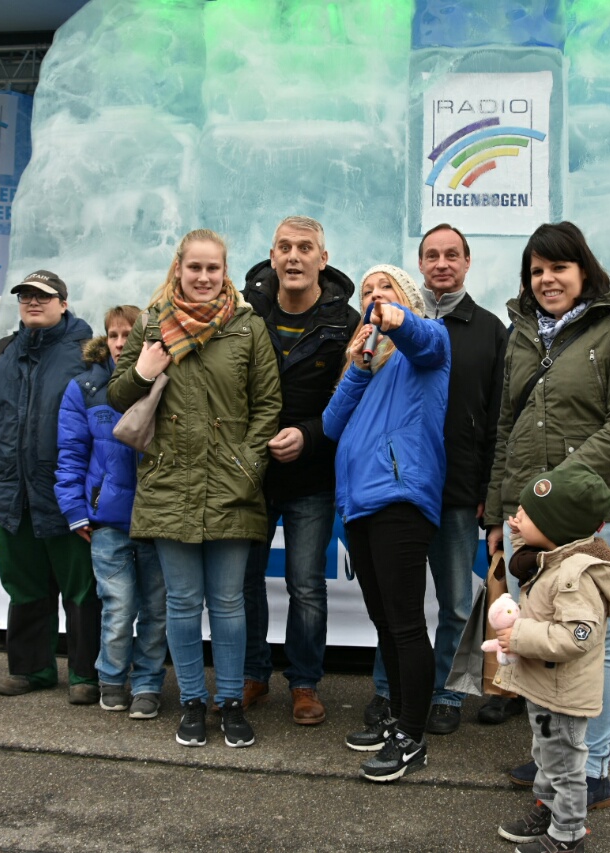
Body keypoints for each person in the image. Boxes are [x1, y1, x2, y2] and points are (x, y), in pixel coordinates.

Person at [484, 222, 610, 808]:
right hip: (526, 518)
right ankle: (555, 761)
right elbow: (506, 430)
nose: (547, 279)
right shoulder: (522, 335)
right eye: (536, 270)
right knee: (538, 635)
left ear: (584, 269)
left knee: (595, 641)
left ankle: (592, 770)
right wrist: (500, 512)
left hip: (601, 514)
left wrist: (551, 491)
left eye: (558, 267)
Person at [108, 229, 282, 749]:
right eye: (195, 268)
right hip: (169, 484)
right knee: (182, 603)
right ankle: (191, 702)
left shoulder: (247, 326)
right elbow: (118, 396)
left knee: (228, 602)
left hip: (232, 485)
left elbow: (268, 405)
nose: (204, 277)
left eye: (213, 268)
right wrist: (143, 371)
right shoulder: (152, 324)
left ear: (225, 272)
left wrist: (247, 467)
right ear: (178, 268)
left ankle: (230, 703)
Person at [365, 223, 509, 735]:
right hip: (398, 489)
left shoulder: (491, 330)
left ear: (467, 262)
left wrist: (487, 492)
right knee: (393, 604)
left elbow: (497, 419)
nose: (442, 264)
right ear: (420, 264)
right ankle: (390, 691)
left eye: (452, 255)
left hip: (455, 492)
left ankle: (447, 693)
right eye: (432, 255)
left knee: (454, 602)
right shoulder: (389, 322)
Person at [323, 264, 450, 782]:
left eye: (386, 288)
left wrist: (399, 320)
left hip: (400, 498)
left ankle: (412, 738)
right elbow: (331, 424)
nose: (373, 296)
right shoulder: (368, 360)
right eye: (367, 291)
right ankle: (398, 718)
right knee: (385, 624)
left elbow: (427, 339)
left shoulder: (427, 342)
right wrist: (356, 367)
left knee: (405, 624)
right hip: (359, 503)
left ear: (407, 299)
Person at [0, 270, 100, 704]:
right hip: (10, 497)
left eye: (43, 296)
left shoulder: (87, 354)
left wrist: (99, 497)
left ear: (64, 303)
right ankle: (31, 669)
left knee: (82, 591)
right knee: (24, 588)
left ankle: (85, 675)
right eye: (25, 296)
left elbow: (104, 430)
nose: (33, 302)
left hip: (67, 499)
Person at [240, 216, 360, 726]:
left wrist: (309, 436)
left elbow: (350, 398)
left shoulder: (347, 322)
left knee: (307, 585)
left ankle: (305, 684)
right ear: (272, 257)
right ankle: (251, 674)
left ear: (322, 259)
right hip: (251, 472)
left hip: (312, 474)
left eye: (305, 248)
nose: (294, 256)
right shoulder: (242, 311)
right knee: (244, 581)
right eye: (285, 247)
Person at [494, 464, 610, 853]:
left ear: (555, 526)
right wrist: (521, 531)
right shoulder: (552, 556)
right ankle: (548, 809)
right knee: (546, 756)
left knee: (565, 765)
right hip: (545, 688)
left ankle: (568, 833)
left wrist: (519, 635)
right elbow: (533, 547)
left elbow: (578, 636)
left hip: (564, 694)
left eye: (527, 514)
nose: (516, 518)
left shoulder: (575, 574)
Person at [55, 304, 168, 720]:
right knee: (118, 608)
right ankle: (112, 680)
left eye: (128, 334)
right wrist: (75, 510)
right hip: (107, 522)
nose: (121, 343)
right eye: (114, 334)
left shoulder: (168, 379)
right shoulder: (84, 388)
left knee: (157, 611)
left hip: (159, 519)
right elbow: (70, 454)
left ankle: (148, 684)